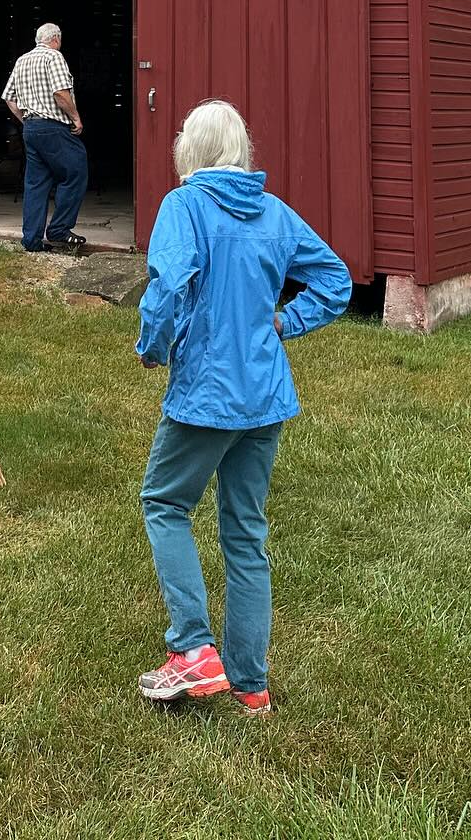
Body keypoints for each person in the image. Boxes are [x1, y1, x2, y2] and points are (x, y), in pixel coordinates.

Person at [135, 99, 351, 714]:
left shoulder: (183, 207)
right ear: (240, 151)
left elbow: (169, 284)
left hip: (206, 395)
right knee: (246, 532)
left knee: (165, 502)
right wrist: (284, 323)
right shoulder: (275, 213)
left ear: (190, 152)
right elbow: (335, 280)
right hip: (265, 396)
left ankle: (193, 650)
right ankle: (250, 684)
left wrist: (152, 346)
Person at [1, 22, 88, 253]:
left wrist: (26, 120)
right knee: (76, 170)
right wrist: (76, 118)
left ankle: (31, 240)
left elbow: (9, 97)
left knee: (35, 184)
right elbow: (60, 93)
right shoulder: (54, 57)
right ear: (56, 38)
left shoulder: (22, 60)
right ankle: (59, 229)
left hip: (31, 129)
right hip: (54, 127)